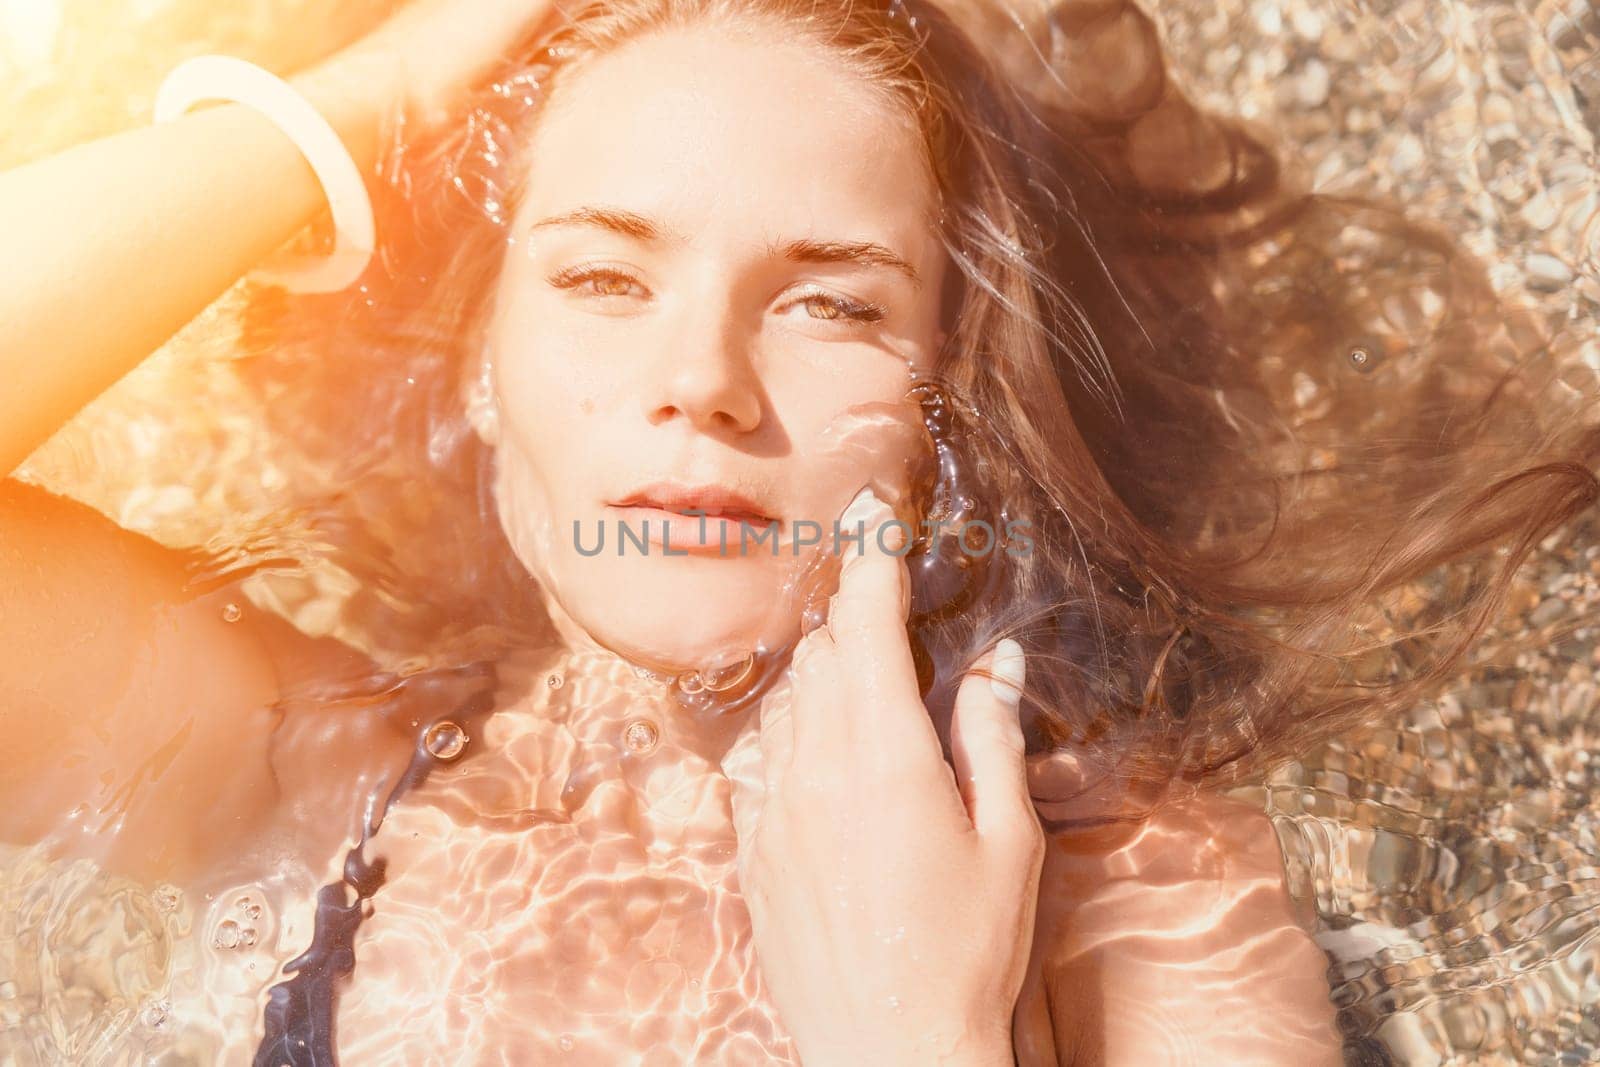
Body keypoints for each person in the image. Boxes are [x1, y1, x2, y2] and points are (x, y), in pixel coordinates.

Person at [3, 0, 1594, 1063]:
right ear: (482, 380)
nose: (698, 382)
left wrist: (917, 1031)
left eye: (830, 302)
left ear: (941, 405)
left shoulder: (1124, 890)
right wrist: (363, 107)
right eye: (601, 279)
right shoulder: (317, 776)